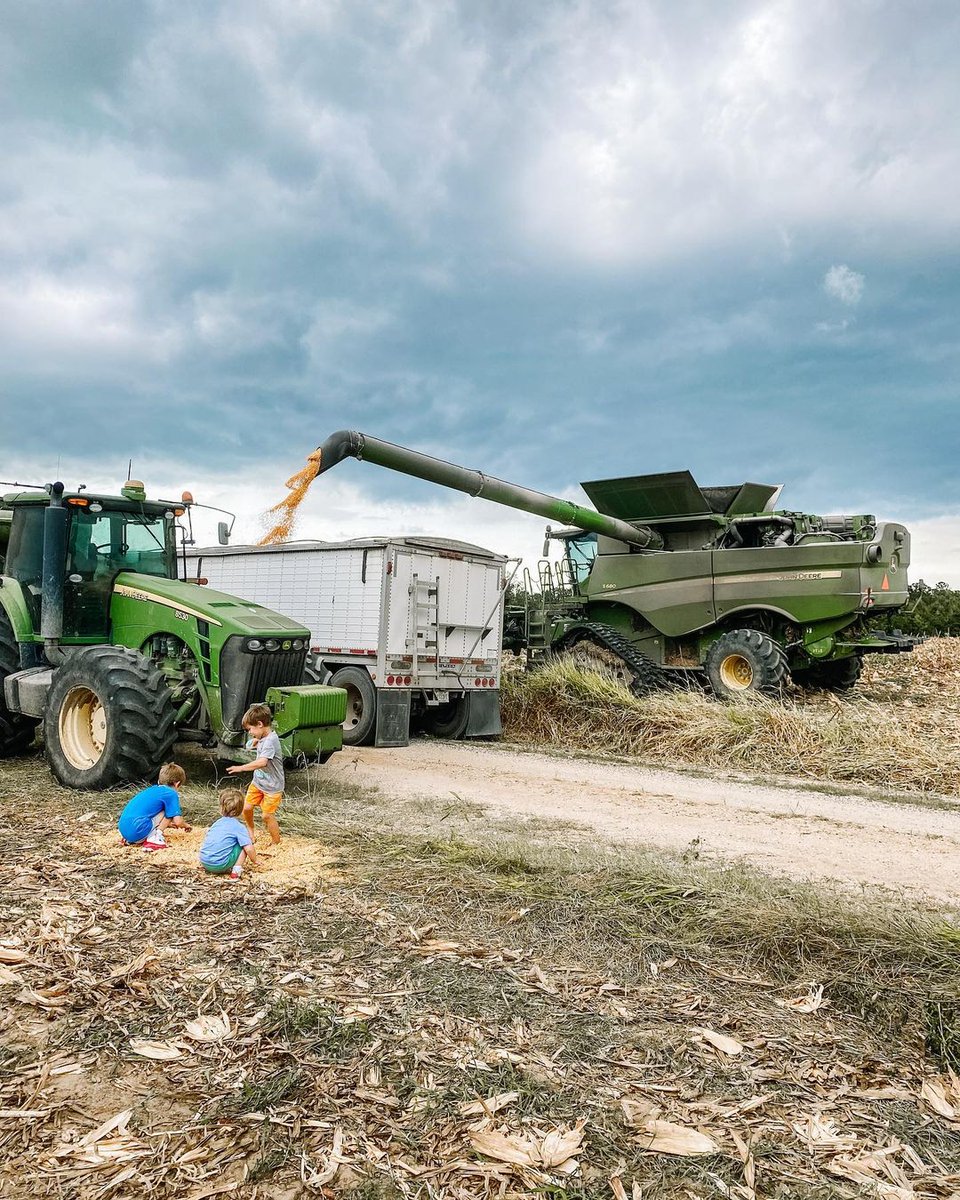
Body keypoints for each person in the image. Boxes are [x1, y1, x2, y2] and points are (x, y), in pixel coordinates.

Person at [226, 703, 284, 845]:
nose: (249, 732)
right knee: (246, 808)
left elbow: (262, 762)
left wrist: (241, 768)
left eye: (250, 729)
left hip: (272, 786)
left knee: (267, 815)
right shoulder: (264, 737)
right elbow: (252, 743)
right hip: (258, 782)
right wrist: (255, 740)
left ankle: (276, 842)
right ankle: (250, 831)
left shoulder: (271, 741)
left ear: (259, 724)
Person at [118, 763, 191, 850]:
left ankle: (131, 839)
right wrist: (186, 825)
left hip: (125, 831)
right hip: (138, 832)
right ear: (177, 784)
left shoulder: (151, 790)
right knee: (169, 810)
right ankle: (155, 838)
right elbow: (178, 821)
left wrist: (166, 824)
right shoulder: (170, 793)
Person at [199, 788, 258, 880]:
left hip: (205, 862)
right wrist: (255, 861)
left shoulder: (217, 823)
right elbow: (249, 849)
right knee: (245, 843)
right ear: (241, 809)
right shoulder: (239, 827)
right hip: (220, 865)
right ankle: (236, 871)